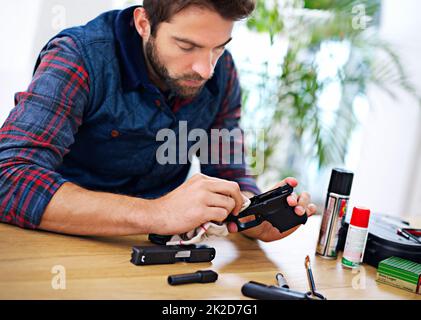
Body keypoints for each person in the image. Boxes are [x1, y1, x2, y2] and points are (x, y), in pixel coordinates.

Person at [0, 0, 317, 242]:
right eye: (186, 46)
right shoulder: (78, 57)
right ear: (143, 23)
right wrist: (157, 213)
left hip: (155, 256)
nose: (205, 69)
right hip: (56, 245)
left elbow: (226, 170)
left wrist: (252, 212)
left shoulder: (221, 71)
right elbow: (9, 178)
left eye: (218, 48)